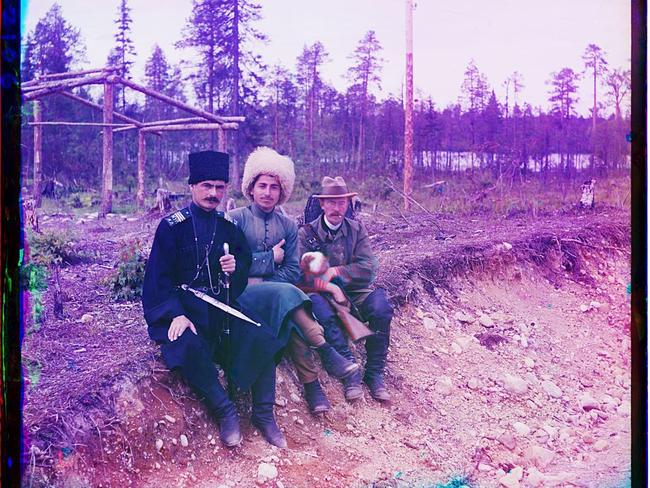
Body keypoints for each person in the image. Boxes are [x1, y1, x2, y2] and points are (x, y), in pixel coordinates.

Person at [142, 150, 287, 448]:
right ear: (192, 186)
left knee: (261, 334)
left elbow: (240, 274)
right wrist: (175, 314)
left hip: (218, 309)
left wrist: (233, 271)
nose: (213, 193)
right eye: (207, 185)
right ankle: (225, 410)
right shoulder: (172, 227)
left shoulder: (227, 227)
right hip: (181, 310)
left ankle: (263, 414)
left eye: (220, 187)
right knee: (185, 343)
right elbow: (158, 281)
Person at [228, 147, 358, 414]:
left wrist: (269, 283)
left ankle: (312, 387)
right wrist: (267, 258)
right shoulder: (235, 219)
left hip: (277, 294)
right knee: (286, 298)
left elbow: (291, 270)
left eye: (274, 187)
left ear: (282, 191)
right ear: (251, 188)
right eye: (262, 186)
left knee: (289, 321)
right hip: (241, 296)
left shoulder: (287, 226)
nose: (267, 192)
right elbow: (232, 267)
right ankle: (324, 351)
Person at [297, 176, 394, 402]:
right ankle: (350, 371)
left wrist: (337, 272)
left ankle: (374, 373)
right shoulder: (306, 234)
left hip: (356, 291)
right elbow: (300, 276)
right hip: (320, 291)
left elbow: (368, 269)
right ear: (322, 204)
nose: (336, 208)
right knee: (323, 312)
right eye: (331, 202)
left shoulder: (357, 230)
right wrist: (330, 287)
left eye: (341, 203)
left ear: (348, 205)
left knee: (381, 309)